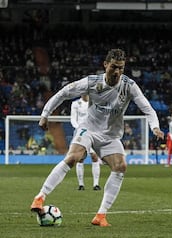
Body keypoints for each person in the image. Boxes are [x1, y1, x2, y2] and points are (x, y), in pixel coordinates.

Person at [30, 49, 164, 227]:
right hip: (89, 129)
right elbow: (64, 93)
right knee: (73, 157)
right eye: (114, 67)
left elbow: (148, 109)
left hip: (110, 136)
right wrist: (45, 114)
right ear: (106, 65)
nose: (117, 72)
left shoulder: (129, 86)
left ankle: (100, 216)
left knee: (120, 166)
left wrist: (155, 127)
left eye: (121, 68)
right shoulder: (92, 82)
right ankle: (40, 198)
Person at [70, 95, 101, 191]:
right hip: (80, 133)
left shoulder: (95, 103)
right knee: (80, 158)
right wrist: (80, 129)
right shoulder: (75, 104)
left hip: (93, 132)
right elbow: (73, 119)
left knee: (94, 156)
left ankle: (96, 184)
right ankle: (81, 185)